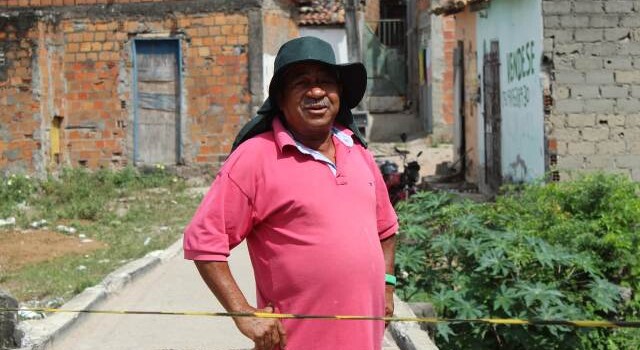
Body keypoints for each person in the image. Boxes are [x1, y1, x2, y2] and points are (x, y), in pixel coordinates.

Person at [183, 36, 398, 350]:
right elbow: (204, 241)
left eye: (325, 81)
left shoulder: (357, 151)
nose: (316, 91)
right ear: (280, 98)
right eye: (301, 83)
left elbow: (386, 229)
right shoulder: (254, 157)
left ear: (339, 93)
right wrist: (245, 316)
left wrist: (387, 286)